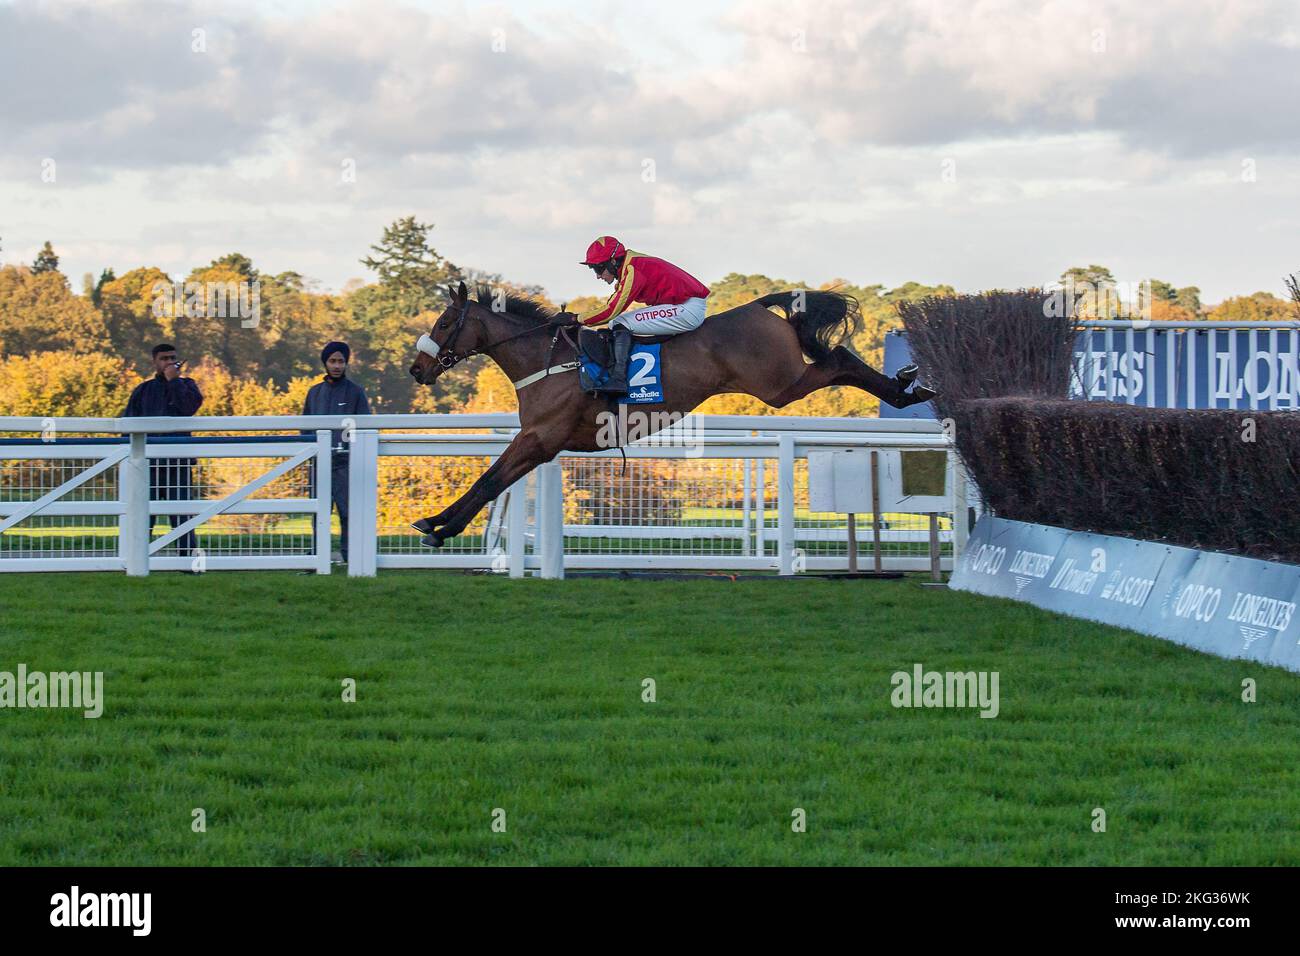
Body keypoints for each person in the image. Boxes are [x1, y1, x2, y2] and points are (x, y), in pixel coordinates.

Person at [563, 236, 710, 396]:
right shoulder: (629, 266)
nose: (598, 276)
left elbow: (611, 311)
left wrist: (575, 319)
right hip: (682, 304)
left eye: (598, 269)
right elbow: (611, 304)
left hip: (687, 308)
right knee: (615, 324)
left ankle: (619, 379)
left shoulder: (633, 270)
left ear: (612, 262)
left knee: (620, 322)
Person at [122, 343, 204, 556]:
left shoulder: (187, 385)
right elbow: (128, 424)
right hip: (147, 462)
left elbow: (189, 407)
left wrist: (174, 381)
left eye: (172, 358)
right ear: (155, 362)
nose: (169, 362)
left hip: (178, 461)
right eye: (164, 359)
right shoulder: (143, 390)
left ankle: (187, 559)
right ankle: (137, 558)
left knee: (181, 512)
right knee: (143, 511)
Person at [302, 341, 370, 563]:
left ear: (347, 363)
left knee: (348, 514)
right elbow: (305, 429)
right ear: (325, 363)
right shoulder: (314, 393)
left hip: (346, 464)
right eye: (333, 361)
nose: (337, 366)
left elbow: (366, 428)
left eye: (341, 361)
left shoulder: (356, 392)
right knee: (318, 513)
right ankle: (317, 557)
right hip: (318, 464)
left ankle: (350, 558)